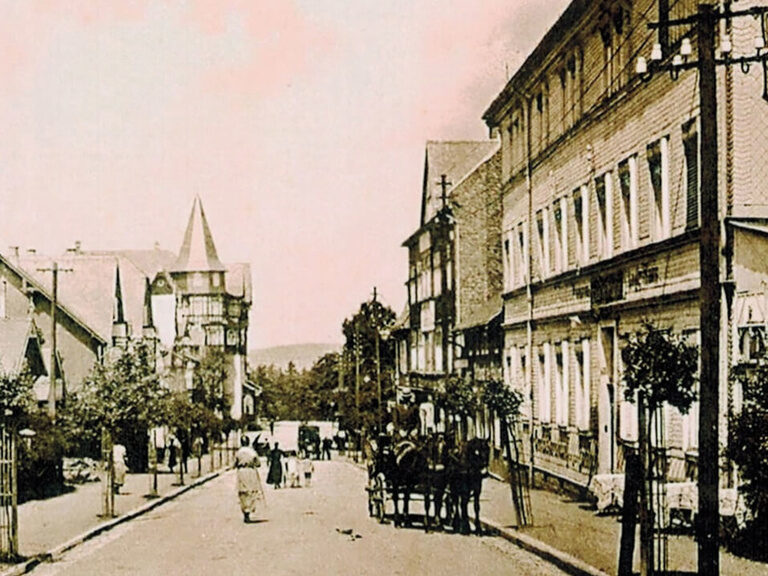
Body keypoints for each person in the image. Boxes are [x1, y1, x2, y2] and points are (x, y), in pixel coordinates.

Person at [235, 436, 266, 523]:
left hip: (241, 472)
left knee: (243, 492)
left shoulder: (238, 452)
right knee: (251, 491)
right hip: (250, 471)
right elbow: (258, 463)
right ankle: (249, 510)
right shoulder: (252, 452)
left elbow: (236, 463)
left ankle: (245, 512)